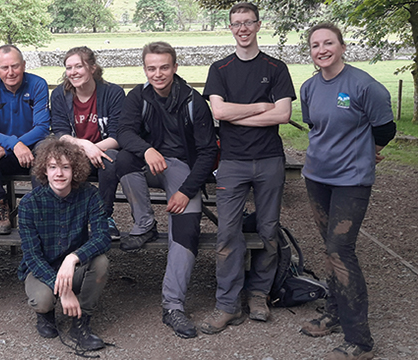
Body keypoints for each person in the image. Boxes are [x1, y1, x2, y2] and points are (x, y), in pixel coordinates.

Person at [298, 23, 395, 360]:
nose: (321, 49)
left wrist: (370, 150)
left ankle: (360, 341)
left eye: (328, 43)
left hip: (351, 181)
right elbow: (315, 126)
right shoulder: (309, 88)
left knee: (341, 249)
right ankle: (333, 315)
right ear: (310, 51)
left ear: (341, 46)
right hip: (316, 177)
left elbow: (385, 127)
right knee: (329, 248)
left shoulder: (365, 86)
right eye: (315, 45)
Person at [200, 2, 296, 334]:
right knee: (227, 234)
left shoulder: (276, 67)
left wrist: (239, 113)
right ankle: (227, 304)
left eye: (248, 22)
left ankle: (258, 295)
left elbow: (282, 115)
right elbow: (220, 113)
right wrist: (259, 107)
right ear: (230, 28)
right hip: (232, 162)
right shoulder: (220, 69)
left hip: (269, 160)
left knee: (268, 231)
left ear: (258, 25)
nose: (242, 28)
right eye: (236, 23)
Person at [115, 42, 218, 339]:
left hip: (181, 168)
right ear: (145, 69)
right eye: (151, 68)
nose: (157, 74)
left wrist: (187, 190)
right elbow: (124, 132)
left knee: (186, 229)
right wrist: (146, 149)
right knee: (122, 159)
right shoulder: (138, 96)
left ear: (174, 67)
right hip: (149, 163)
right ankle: (145, 224)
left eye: (163, 67)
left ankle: (173, 305)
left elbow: (208, 151)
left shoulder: (193, 101)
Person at [18, 137, 111, 351]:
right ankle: (46, 314)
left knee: (101, 262)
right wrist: (64, 292)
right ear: (45, 170)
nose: (59, 174)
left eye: (65, 167)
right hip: (43, 267)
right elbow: (32, 256)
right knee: (42, 300)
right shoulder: (29, 204)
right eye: (52, 167)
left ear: (75, 170)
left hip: (74, 267)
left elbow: (103, 237)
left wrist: (73, 258)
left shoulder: (89, 194)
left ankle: (80, 322)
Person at [0, 45, 50, 235]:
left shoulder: (38, 84)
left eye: (15, 66)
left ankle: (40, 211)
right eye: (5, 68)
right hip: (4, 153)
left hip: (31, 151)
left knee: (45, 149)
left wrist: (16, 146)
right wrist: (13, 145)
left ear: (23, 65)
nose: (11, 72)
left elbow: (42, 127)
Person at [50, 46, 125, 240]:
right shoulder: (60, 95)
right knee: (47, 160)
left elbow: (117, 136)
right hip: (72, 153)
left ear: (92, 68)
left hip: (102, 153)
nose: (73, 72)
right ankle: (58, 218)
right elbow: (61, 133)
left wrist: (94, 148)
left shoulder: (113, 93)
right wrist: (86, 146)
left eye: (78, 66)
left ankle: (104, 217)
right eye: (68, 68)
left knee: (111, 159)